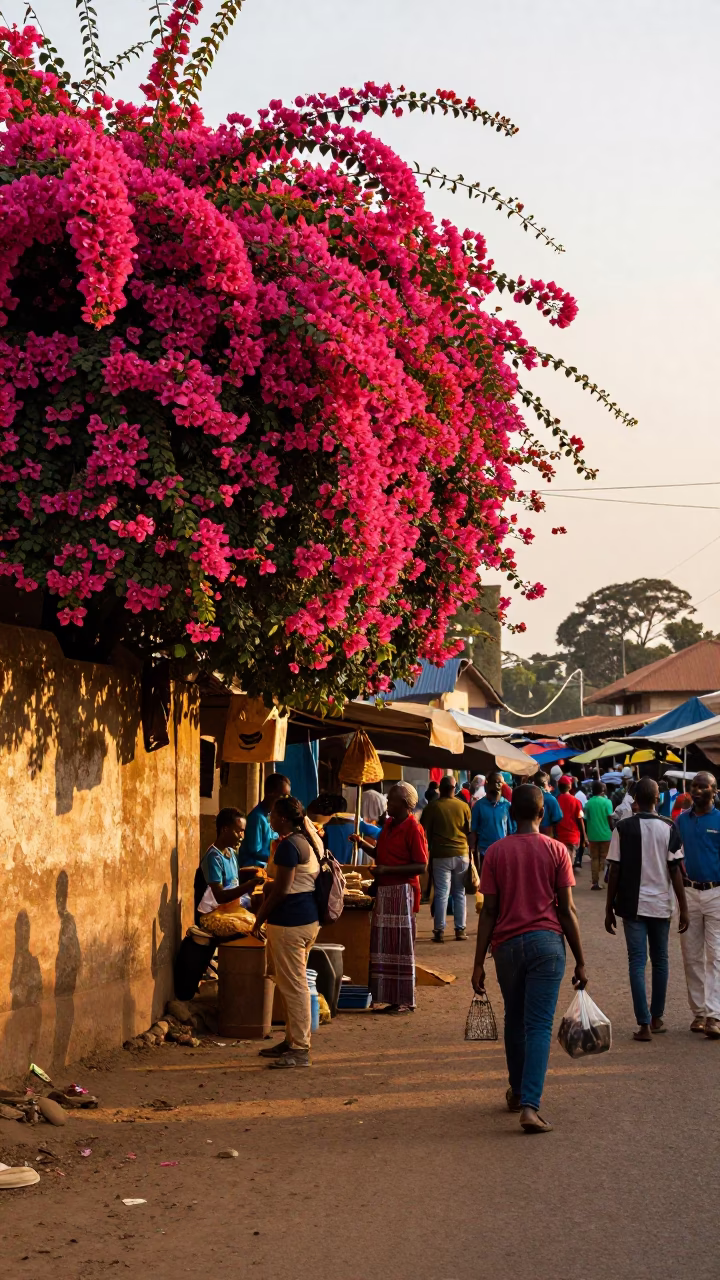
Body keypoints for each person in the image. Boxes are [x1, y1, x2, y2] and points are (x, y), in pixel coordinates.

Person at [473, 784, 587, 1134]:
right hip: (547, 946)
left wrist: (478, 962)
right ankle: (530, 1106)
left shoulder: (494, 853)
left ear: (510, 814)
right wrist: (581, 960)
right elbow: (566, 910)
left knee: (515, 1020)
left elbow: (488, 910)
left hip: (506, 947)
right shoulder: (556, 851)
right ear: (542, 814)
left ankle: (519, 1090)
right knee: (538, 1025)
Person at [605, 777, 689, 1040]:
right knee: (661, 960)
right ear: (657, 799)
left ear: (635, 800)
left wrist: (609, 907)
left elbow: (615, 869)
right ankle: (657, 1018)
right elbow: (675, 870)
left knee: (637, 962)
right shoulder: (669, 827)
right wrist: (683, 907)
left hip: (632, 905)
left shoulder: (622, 828)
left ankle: (642, 1024)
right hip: (661, 904)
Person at [252, 795, 323, 1067]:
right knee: (291, 983)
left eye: (272, 815)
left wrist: (259, 918)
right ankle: (292, 1040)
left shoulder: (289, 846)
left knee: (294, 987)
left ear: (282, 818)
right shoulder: (305, 841)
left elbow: (282, 889)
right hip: (305, 920)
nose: (269, 818)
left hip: (290, 923)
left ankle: (300, 1049)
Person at [354, 782, 428, 1013]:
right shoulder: (388, 825)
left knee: (401, 948)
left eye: (392, 801)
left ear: (405, 805)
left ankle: (403, 999)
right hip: (385, 890)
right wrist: (362, 844)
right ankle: (387, 996)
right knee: (384, 946)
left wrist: (387, 871)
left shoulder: (413, 829)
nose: (388, 804)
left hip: (403, 892)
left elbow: (421, 865)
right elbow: (381, 853)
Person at [675, 771, 720, 1039]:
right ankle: (699, 1013)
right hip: (689, 894)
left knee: (716, 956)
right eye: (694, 785)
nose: (697, 790)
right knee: (691, 957)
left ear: (714, 790)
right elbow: (674, 854)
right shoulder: (681, 821)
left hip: (716, 893)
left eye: (703, 786)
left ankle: (714, 1015)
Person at [421, 775, 472, 943]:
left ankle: (439, 930)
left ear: (440, 789)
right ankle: (460, 930)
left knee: (442, 893)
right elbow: (469, 831)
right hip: (462, 854)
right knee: (459, 893)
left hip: (441, 856)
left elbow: (423, 831)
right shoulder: (464, 806)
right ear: (455, 788)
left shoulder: (432, 807)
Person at [196, 808, 261, 935]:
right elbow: (220, 896)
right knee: (254, 926)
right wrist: (250, 884)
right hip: (213, 914)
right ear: (224, 830)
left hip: (229, 910)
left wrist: (254, 874)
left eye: (243, 832)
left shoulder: (230, 852)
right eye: (238, 832)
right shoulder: (213, 857)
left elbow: (232, 880)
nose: (242, 837)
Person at [307, 793, 380, 865]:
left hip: (331, 865)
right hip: (350, 865)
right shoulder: (356, 823)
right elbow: (379, 833)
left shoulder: (324, 824)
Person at [243, 772, 291, 867]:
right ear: (270, 793)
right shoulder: (257, 818)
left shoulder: (273, 815)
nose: (286, 801)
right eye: (283, 796)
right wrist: (278, 856)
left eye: (288, 797)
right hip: (254, 870)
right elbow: (255, 851)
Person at [470, 770, 514, 867]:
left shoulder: (507, 805)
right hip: (485, 852)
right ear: (488, 784)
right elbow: (474, 830)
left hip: (503, 852)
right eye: (495, 781)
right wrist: (472, 853)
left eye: (500, 782)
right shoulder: (479, 806)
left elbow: (511, 831)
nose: (498, 784)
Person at [584, 782, 614, 889]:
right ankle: (602, 880)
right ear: (602, 790)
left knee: (594, 859)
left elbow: (587, 819)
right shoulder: (607, 802)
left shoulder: (588, 803)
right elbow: (610, 819)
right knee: (604, 859)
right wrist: (613, 830)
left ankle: (594, 882)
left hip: (593, 835)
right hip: (606, 835)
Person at [556, 775, 587, 870]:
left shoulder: (556, 800)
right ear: (569, 786)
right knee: (568, 864)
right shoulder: (576, 801)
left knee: (561, 863)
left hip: (559, 836)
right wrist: (584, 836)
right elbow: (580, 819)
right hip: (573, 836)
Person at [534, 771, 562, 839]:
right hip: (547, 833)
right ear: (546, 783)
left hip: (532, 833)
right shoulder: (551, 798)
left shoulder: (530, 797)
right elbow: (558, 817)